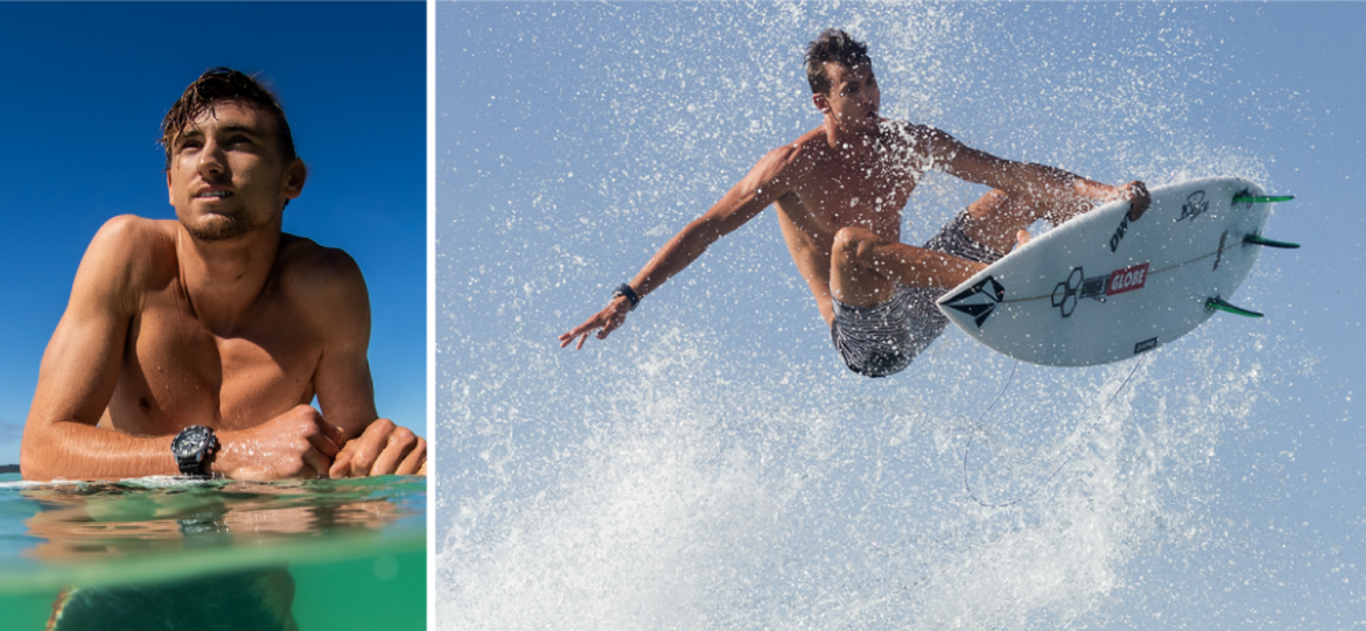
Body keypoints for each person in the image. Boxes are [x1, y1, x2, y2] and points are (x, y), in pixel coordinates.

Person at [559, 29, 1150, 377]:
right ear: (822, 100)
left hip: (931, 295)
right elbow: (706, 228)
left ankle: (1097, 244)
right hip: (870, 336)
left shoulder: (907, 141)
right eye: (851, 89)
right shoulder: (793, 166)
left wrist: (1109, 193)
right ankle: (1013, 284)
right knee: (853, 242)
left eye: (870, 82)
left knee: (1009, 196)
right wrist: (628, 295)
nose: (869, 97)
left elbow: (1010, 171)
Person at [20, 68, 428, 481]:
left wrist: (393, 457)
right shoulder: (127, 255)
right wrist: (226, 452)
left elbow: (354, 457)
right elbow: (41, 452)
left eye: (238, 142)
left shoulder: (327, 287)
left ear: (292, 179)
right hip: (133, 526)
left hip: (257, 531)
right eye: (191, 146)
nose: (210, 163)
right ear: (170, 187)